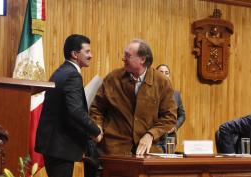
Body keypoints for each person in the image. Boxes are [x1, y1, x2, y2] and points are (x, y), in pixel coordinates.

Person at [89, 39, 177, 155]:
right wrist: (98, 126)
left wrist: (151, 135)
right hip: (114, 149)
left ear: (142, 59)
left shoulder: (162, 82)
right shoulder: (113, 78)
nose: (123, 58)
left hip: (147, 152)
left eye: (128, 56)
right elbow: (96, 108)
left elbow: (169, 116)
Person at [35, 34, 103, 177]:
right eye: (87, 51)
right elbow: (75, 110)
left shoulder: (60, 72)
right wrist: (95, 130)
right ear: (74, 54)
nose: (91, 55)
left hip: (53, 145)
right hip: (61, 147)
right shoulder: (73, 75)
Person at [156, 64, 186, 152]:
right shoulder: (149, 92)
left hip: (170, 138)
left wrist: (175, 126)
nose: (164, 75)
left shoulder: (176, 94)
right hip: (154, 138)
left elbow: (182, 116)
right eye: (161, 72)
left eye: (167, 73)